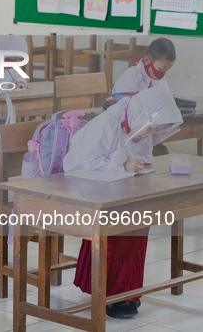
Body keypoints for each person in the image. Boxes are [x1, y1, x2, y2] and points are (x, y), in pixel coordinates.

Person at [63, 87, 183, 319]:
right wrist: (123, 165)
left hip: (118, 187)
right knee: (116, 231)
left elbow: (141, 158)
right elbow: (84, 163)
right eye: (152, 129)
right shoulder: (106, 123)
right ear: (143, 116)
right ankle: (110, 294)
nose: (150, 135)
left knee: (138, 224)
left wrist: (135, 166)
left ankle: (128, 291)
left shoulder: (138, 126)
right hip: (87, 186)